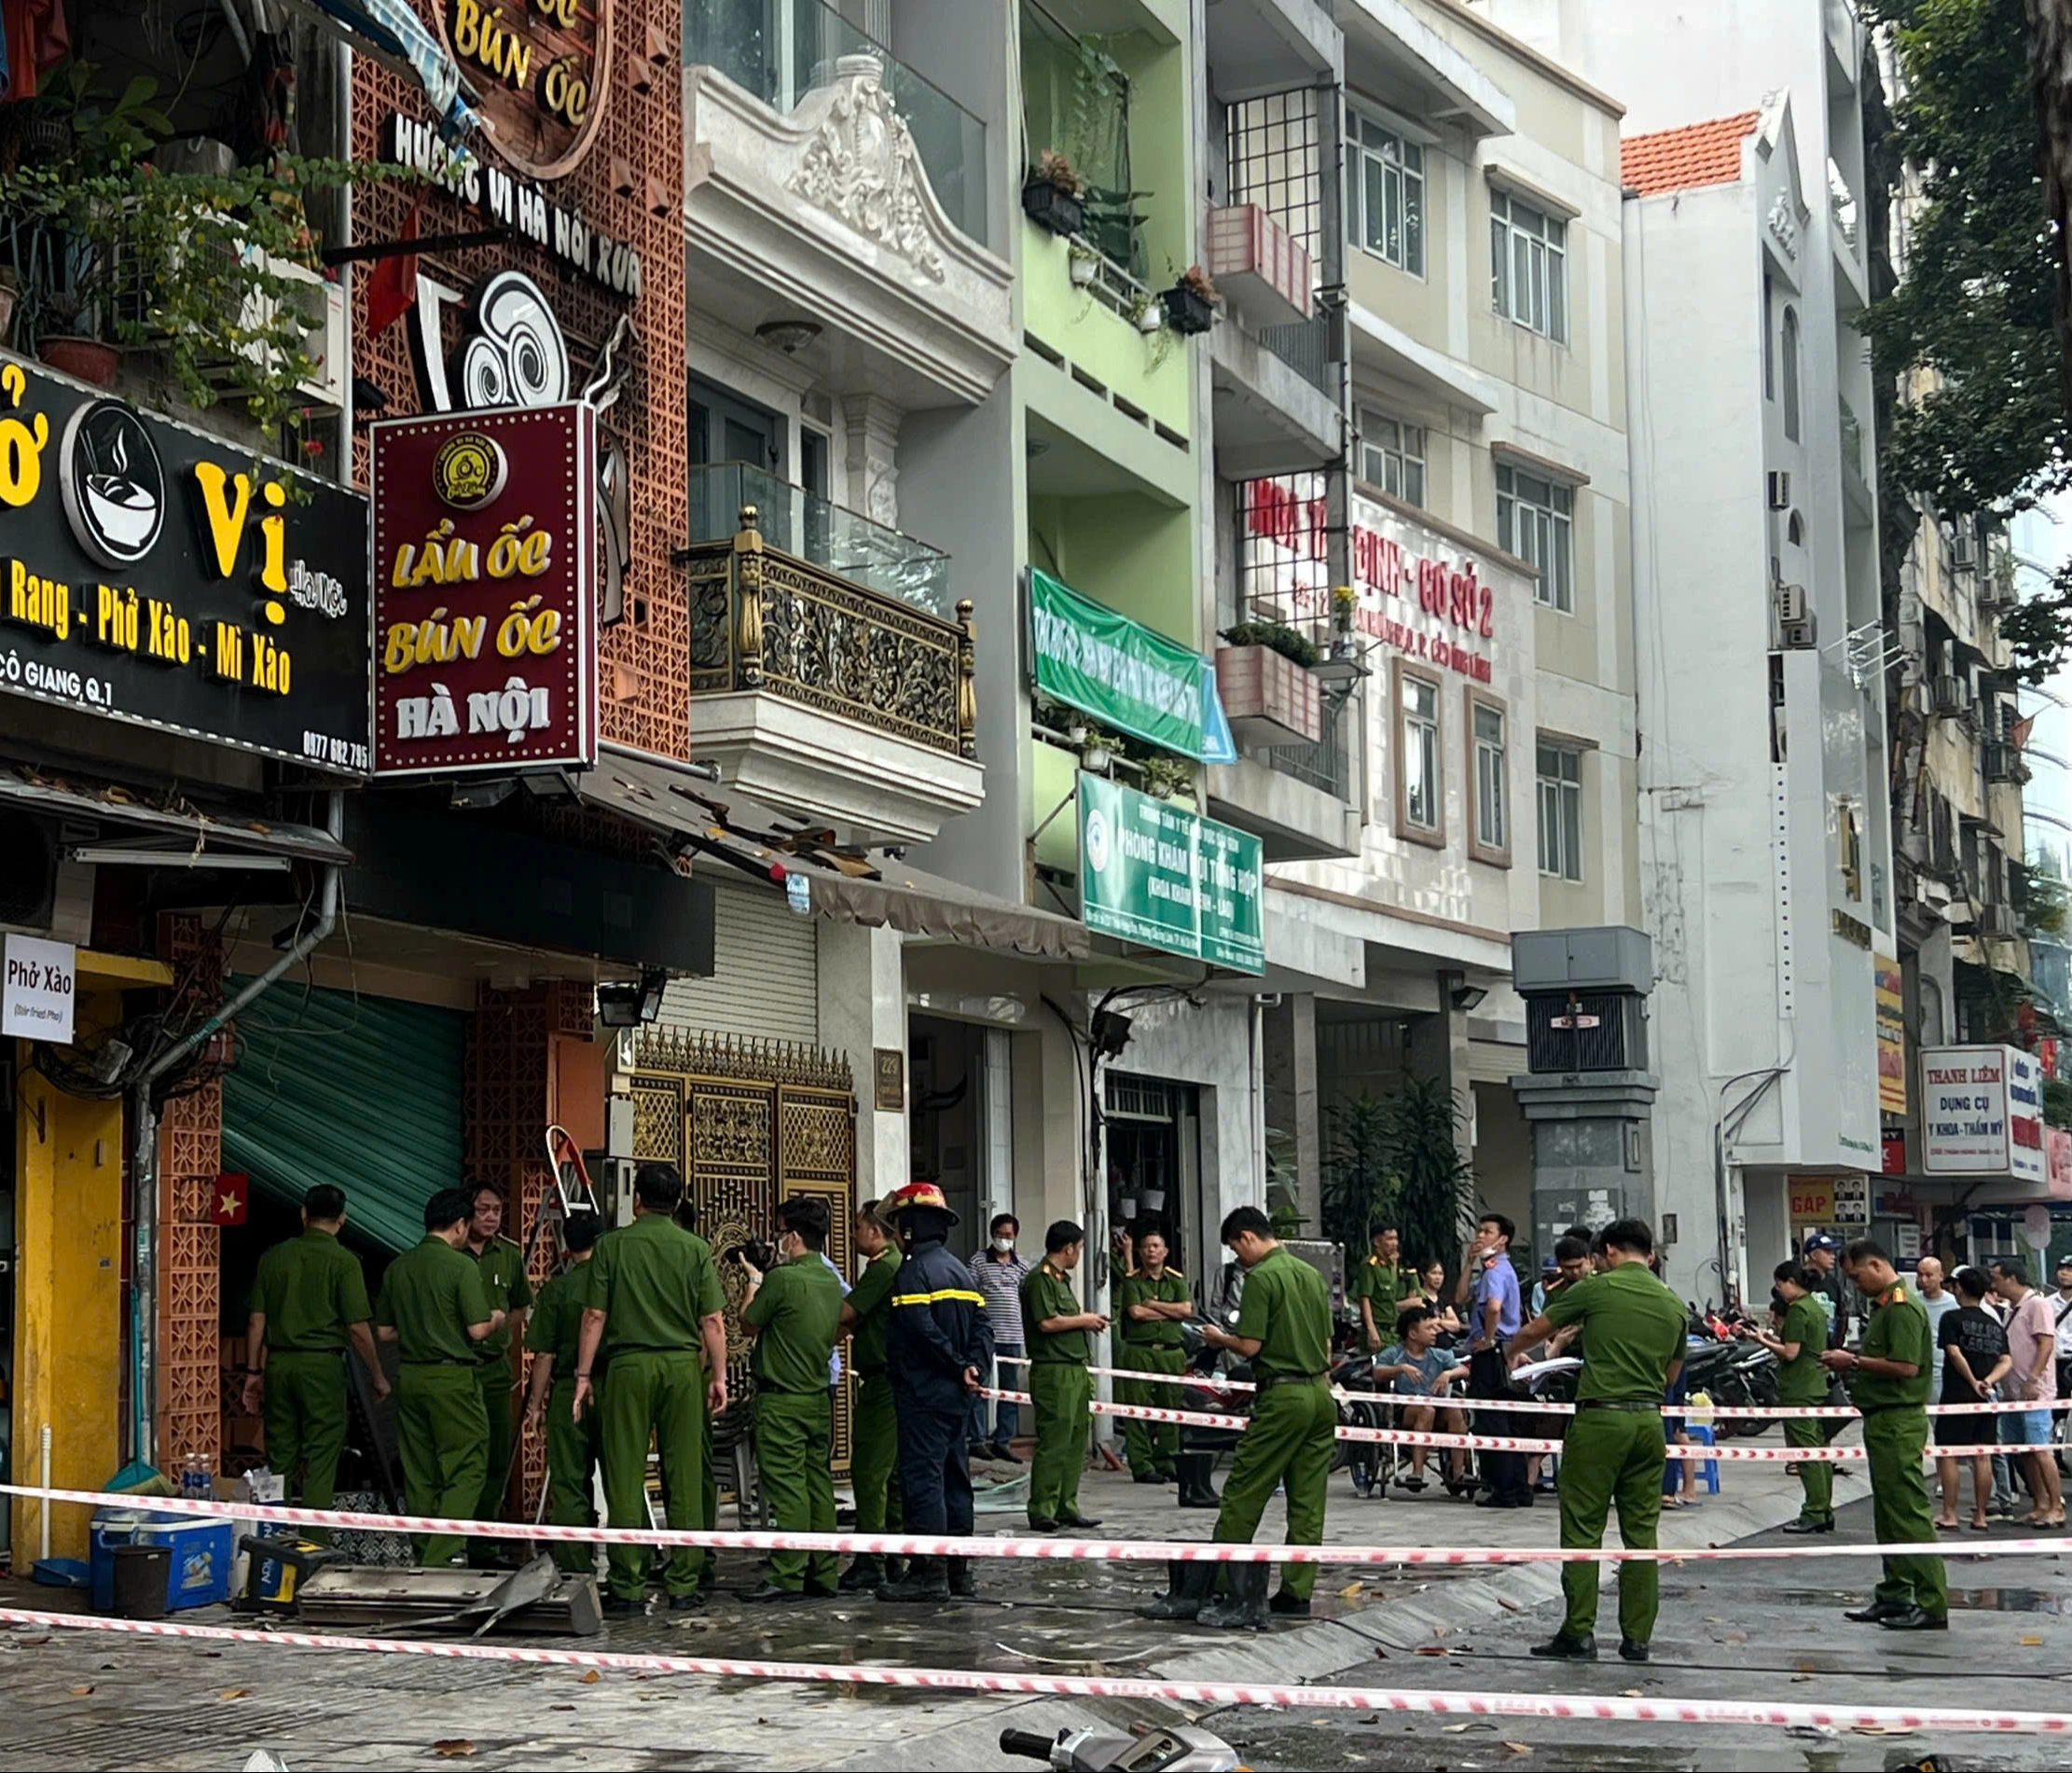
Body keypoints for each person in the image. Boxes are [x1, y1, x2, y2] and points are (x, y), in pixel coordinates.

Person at [1140, 1206, 1334, 1629]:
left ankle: (1230, 1587)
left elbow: (1248, 1346)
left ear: (1247, 1237)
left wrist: (1216, 1337)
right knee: (1307, 1502)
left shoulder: (1263, 1277)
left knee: (1244, 1493)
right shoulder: (1312, 1275)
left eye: (1235, 1248)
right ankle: (1296, 1592)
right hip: (1321, 1394)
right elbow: (1325, 1342)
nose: (1237, 1259)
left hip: (1281, 1396)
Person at [1509, 1218, 1686, 1664]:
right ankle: (1637, 1638)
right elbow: (1671, 1376)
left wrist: (1508, 1352)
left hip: (1601, 1419)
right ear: (1647, 1253)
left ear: (1606, 1251)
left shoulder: (1597, 1288)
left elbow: (1537, 1330)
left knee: (1583, 1529)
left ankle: (1579, 1631)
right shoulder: (1673, 1303)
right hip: (1649, 1422)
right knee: (1642, 1533)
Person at [573, 1162, 727, 1614]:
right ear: (677, 1202)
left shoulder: (611, 1247)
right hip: (681, 1368)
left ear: (635, 1200)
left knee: (623, 1474)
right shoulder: (695, 1248)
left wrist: (583, 1376)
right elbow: (713, 1321)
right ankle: (684, 1581)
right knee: (684, 1473)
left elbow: (594, 1317)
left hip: (627, 1368)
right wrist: (718, 1376)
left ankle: (627, 1582)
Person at [1821, 1239, 1947, 1631]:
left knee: (1908, 1514)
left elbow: (1906, 1367)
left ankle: (1931, 1601)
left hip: (1898, 1420)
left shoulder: (1902, 1308)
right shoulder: (1882, 1309)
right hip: (1881, 1420)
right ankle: (1895, 1593)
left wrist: (1854, 1360)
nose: (1856, 1285)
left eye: (1858, 1276)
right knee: (1889, 1514)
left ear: (1876, 1265)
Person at [373, 1188, 503, 1568]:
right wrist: (496, 1318)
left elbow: (384, 1333)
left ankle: (423, 1549)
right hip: (453, 1380)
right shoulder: (461, 1266)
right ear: (460, 1225)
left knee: (419, 1470)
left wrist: (421, 1330)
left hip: (410, 1376)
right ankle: (439, 1555)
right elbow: (478, 1330)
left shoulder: (399, 1266)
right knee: (468, 1464)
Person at [242, 1184, 387, 1521]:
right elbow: (357, 1328)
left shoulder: (274, 1257)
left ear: (304, 1215)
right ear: (343, 1219)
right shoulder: (345, 1262)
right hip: (322, 1367)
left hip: (279, 1364)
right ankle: (313, 1541)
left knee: (279, 1454)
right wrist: (378, 1375)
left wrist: (253, 1373)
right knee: (322, 1455)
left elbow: (256, 1321)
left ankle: (273, 1537)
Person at [877, 1181, 993, 1603]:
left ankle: (928, 1571)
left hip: (923, 1395)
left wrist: (956, 1364)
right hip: (957, 1397)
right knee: (955, 1479)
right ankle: (959, 1570)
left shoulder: (912, 1272)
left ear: (909, 1228)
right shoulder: (959, 1270)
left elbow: (919, 1329)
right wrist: (974, 1366)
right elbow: (984, 1326)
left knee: (923, 1481)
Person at [740, 1196, 845, 1600]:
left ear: (795, 1237)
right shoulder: (829, 1279)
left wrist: (753, 1280)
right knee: (818, 1484)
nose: (779, 1240)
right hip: (818, 1397)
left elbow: (749, 1323)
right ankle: (824, 1571)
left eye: (783, 1233)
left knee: (787, 1487)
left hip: (781, 1399)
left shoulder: (784, 1279)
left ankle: (788, 1573)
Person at [521, 1211, 605, 1576]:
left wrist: (536, 1405)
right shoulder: (617, 1282)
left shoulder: (557, 1289)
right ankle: (629, 1568)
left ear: (567, 1250)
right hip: (615, 1388)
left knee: (569, 1481)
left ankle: (574, 1567)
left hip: (569, 1389)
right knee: (623, 1478)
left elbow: (544, 1354)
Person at [1021, 1221, 1107, 1531]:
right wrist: (1083, 1320)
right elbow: (1046, 1322)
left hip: (1074, 1368)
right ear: (1068, 1248)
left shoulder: (1060, 1281)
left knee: (1074, 1440)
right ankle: (1042, 1507)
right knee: (1054, 1440)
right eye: (1080, 1249)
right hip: (1053, 1369)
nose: (1079, 1255)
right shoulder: (1039, 1280)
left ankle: (1066, 1505)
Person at [836, 1199, 904, 1591]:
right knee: (891, 1476)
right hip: (891, 1380)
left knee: (870, 1472)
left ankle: (871, 1558)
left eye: (858, 1226)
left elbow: (847, 1315)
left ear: (875, 1232)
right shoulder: (891, 1265)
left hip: (882, 1382)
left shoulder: (883, 1270)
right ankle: (892, 1554)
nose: (853, 1233)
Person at [463, 1182, 533, 1542]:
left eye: (497, 1210)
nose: (491, 1217)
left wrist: (499, 1323)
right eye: (482, 1209)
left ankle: (485, 1540)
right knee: (461, 1455)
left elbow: (522, 1306)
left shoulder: (508, 1254)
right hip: (458, 1366)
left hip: (495, 1367)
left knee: (495, 1454)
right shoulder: (451, 1252)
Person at [1742, 1261, 1832, 1533]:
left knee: (1806, 1454)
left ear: (1791, 1282)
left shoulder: (1797, 1311)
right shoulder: (1815, 1308)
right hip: (1814, 1386)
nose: (1778, 1291)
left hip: (1799, 1388)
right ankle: (1823, 1508)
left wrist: (1761, 1340)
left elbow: (1790, 1352)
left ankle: (1814, 1510)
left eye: (1780, 1285)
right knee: (1819, 1451)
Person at [1456, 1213, 1530, 1508]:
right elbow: (1461, 1298)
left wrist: (1487, 1338)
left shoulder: (1496, 1270)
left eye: (1487, 1232)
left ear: (1503, 1240)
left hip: (1493, 1351)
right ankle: (1518, 1486)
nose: (1480, 1236)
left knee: (1492, 1419)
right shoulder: (1489, 1269)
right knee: (1505, 1420)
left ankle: (1504, 1489)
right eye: (1479, 1230)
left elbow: (1494, 1308)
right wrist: (1468, 1263)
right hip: (1503, 1349)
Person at [1989, 1257, 2065, 1528]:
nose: (1993, 1284)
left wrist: (2033, 1378)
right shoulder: (2012, 1309)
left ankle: (2056, 1506)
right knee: (2025, 1451)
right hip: (2013, 1392)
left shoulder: (2037, 1305)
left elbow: (2045, 1344)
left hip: (2035, 1392)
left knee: (2041, 1449)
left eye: (1997, 1278)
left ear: (2011, 1278)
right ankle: (2040, 1503)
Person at [1933, 1266, 2010, 1533]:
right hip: (1987, 1398)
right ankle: (1980, 1515)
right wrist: (1988, 1381)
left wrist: (1971, 1380)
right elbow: (2006, 1359)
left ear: (1959, 1289)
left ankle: (1950, 1514)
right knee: (1983, 1455)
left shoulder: (1950, 1318)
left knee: (1949, 1454)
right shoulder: (1994, 1324)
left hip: (1957, 1395)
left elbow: (1954, 1353)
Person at [1116, 1225, 1191, 1484]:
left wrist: (1154, 1306)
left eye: (1156, 1246)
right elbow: (1136, 1313)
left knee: (1170, 1408)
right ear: (1139, 1252)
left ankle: (1167, 1460)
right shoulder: (1133, 1281)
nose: (1151, 1251)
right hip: (1140, 1351)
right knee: (1137, 1408)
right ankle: (1142, 1463)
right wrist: (1169, 1312)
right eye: (1147, 1246)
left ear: (1165, 1251)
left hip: (1171, 1353)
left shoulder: (1177, 1280)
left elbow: (1186, 1310)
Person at [1372, 1303, 1470, 1492]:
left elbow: (1464, 1370)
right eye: (1429, 1328)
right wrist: (1399, 1369)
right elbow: (1377, 1372)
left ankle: (1459, 1473)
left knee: (1455, 1412)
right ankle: (1417, 1472)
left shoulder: (1439, 1355)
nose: (1435, 1332)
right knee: (1427, 1410)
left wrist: (1448, 1375)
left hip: (1436, 1407)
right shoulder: (1395, 1353)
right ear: (1413, 1333)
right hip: (1406, 1410)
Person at [967, 1213, 1030, 1462]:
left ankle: (1003, 1441)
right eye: (1001, 1235)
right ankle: (977, 1439)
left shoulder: (1021, 1265)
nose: (1005, 1240)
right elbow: (969, 1292)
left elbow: (1027, 1296)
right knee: (980, 1386)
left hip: (1013, 1336)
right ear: (992, 1234)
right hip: (985, 1335)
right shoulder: (979, 1261)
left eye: (1009, 1236)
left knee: (1009, 1390)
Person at [1354, 1225, 1407, 1353]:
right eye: (1389, 1239)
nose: (1394, 1243)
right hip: (1378, 1330)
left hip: (1393, 1331)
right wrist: (1371, 1329)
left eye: (1396, 1238)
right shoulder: (1370, 1265)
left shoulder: (1390, 1266)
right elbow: (1365, 1298)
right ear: (1377, 1242)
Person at [1914, 1256, 1956, 1404]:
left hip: (1945, 1370)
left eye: (1929, 1275)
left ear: (1941, 1276)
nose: (1923, 1280)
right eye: (1920, 1274)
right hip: (1919, 1370)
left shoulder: (1954, 1303)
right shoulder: (1913, 1302)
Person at [1803, 1234, 1850, 1351]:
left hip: (1829, 1347)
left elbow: (1841, 1314)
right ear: (1813, 1255)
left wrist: (1837, 1344)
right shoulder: (1800, 1280)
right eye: (1827, 1252)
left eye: (1833, 1252)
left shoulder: (1833, 1283)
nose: (1833, 1257)